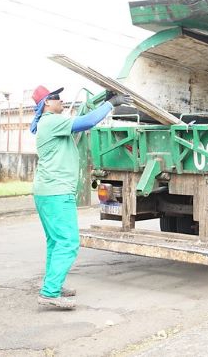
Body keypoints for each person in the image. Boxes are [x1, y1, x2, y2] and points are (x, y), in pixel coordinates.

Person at [30, 85, 130, 309]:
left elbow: (82, 117)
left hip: (47, 191)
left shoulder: (50, 123)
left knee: (56, 242)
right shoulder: (51, 121)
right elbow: (87, 122)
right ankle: (49, 292)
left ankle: (53, 284)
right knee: (69, 242)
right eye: (57, 98)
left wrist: (101, 101)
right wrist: (111, 104)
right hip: (56, 192)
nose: (61, 100)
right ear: (47, 103)